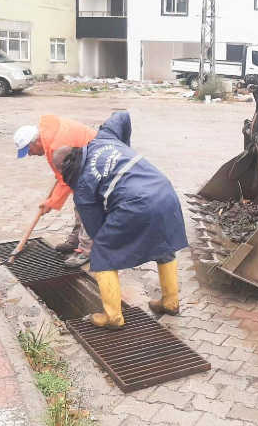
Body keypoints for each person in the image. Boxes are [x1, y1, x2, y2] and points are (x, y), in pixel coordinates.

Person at [52, 112, 188, 329]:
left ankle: (113, 317)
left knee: (102, 253)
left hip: (137, 203)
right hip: (164, 191)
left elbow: (97, 232)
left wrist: (117, 252)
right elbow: (122, 116)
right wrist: (122, 149)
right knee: (163, 246)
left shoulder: (83, 189)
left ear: (63, 172)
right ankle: (170, 302)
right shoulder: (103, 139)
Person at [13, 115, 97, 267]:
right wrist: (50, 201)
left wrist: (50, 203)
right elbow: (63, 176)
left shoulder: (57, 147)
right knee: (79, 198)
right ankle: (77, 238)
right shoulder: (47, 135)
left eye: (29, 150)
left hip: (95, 161)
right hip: (82, 161)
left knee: (87, 205)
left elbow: (65, 181)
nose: (30, 154)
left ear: (36, 141)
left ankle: (86, 250)